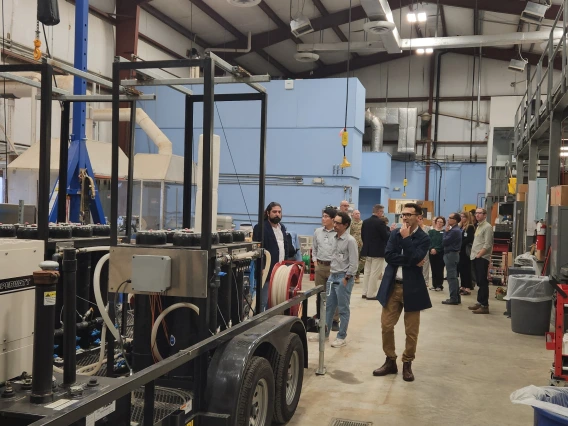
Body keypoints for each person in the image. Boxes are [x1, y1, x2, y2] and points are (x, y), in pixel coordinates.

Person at [373, 203, 432, 382]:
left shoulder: (423, 238)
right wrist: (411, 260)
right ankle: (390, 360)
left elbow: (417, 257)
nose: (404, 218)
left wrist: (406, 241)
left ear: (418, 217)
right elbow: (389, 255)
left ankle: (407, 363)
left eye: (408, 214)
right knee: (386, 326)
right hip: (393, 286)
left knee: (411, 330)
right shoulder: (394, 234)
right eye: (403, 214)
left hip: (412, 287)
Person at [325, 211, 358, 348]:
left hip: (344, 277)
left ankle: (341, 337)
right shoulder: (334, 238)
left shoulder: (350, 241)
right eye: (335, 222)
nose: (335, 225)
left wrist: (347, 277)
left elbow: (354, 262)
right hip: (332, 276)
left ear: (345, 225)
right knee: (329, 307)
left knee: (343, 308)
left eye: (338, 223)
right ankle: (324, 333)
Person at [253, 202, 291, 310]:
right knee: (262, 301)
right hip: (266, 272)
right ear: (268, 213)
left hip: (280, 271)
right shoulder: (260, 227)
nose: (277, 214)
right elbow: (257, 251)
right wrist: (261, 268)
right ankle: (257, 324)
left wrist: (286, 265)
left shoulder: (281, 227)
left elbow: (285, 247)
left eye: (279, 212)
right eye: (274, 212)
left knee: (275, 301)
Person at [310, 207, 338, 334]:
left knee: (333, 294)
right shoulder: (318, 232)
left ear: (333, 219)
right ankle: (321, 318)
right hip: (320, 267)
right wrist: (315, 263)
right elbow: (314, 248)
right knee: (320, 294)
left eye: (326, 216)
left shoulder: (338, 233)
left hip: (333, 267)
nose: (323, 218)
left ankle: (334, 320)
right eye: (323, 216)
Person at [361, 204, 390, 299]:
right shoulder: (380, 223)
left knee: (367, 272)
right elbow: (386, 236)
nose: (382, 214)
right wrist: (391, 230)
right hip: (378, 251)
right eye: (382, 212)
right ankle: (371, 294)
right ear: (379, 212)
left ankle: (365, 292)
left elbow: (363, 236)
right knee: (375, 273)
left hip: (368, 251)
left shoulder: (365, 222)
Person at [469, 208, 494, 314]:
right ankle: (480, 302)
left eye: (480, 213)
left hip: (482, 258)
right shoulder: (479, 226)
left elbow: (488, 244)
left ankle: (484, 306)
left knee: (483, 282)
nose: (477, 215)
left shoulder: (487, 227)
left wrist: (479, 255)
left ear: (485, 215)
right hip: (475, 257)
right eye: (476, 213)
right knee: (479, 281)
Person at [442, 213, 463, 305]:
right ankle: (456, 297)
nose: (448, 219)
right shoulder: (455, 229)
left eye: (450, 218)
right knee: (453, 277)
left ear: (455, 220)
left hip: (451, 254)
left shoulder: (454, 231)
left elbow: (445, 241)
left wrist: (446, 232)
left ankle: (453, 298)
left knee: (451, 277)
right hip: (452, 254)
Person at [459, 211, 475, 296]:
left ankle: (468, 287)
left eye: (464, 217)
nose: (462, 218)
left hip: (465, 250)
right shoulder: (461, 226)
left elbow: (469, 239)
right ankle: (462, 286)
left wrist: (460, 245)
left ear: (467, 218)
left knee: (466, 269)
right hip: (460, 251)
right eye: (461, 216)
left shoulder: (470, 227)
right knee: (461, 269)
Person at [428, 217, 445, 291]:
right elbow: (428, 242)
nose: (439, 223)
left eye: (441, 222)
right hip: (431, 252)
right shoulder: (431, 232)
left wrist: (436, 250)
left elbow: (443, 243)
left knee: (439, 269)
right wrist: (431, 249)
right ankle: (434, 285)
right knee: (433, 268)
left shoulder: (445, 232)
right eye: (438, 221)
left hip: (440, 253)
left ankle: (439, 285)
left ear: (443, 223)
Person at [351, 210, 364, 283]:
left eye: (359, 213)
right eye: (356, 213)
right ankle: (356, 275)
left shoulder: (363, 223)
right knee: (354, 260)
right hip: (354, 244)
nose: (358, 215)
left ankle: (357, 272)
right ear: (353, 215)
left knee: (363, 260)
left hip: (362, 243)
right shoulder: (350, 223)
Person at [418, 216, 431, 288]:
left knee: (425, 264)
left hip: (425, 248)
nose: (419, 221)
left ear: (422, 220)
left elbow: (429, 238)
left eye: (420, 219)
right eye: (418, 219)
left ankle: (426, 281)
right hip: (417, 248)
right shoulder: (415, 228)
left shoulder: (427, 228)